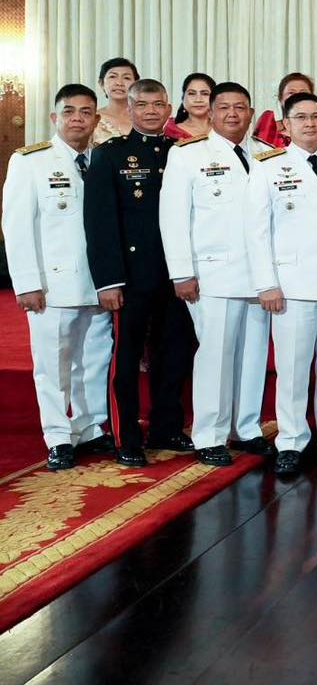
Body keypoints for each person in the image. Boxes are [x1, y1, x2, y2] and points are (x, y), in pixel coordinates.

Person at [160, 83, 275, 467]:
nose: (232, 114)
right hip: (212, 274)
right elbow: (173, 218)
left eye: (240, 107)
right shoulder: (188, 155)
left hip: (260, 276)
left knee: (253, 355)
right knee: (216, 355)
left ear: (251, 111)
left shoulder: (267, 154)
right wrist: (181, 273)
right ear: (209, 112)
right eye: (224, 107)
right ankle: (209, 434)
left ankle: (245, 427)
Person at [246, 91, 317, 476]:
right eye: (300, 117)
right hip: (291, 285)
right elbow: (256, 232)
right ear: (285, 125)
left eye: (315, 116)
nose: (309, 123)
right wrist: (266, 283)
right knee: (293, 367)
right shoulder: (268, 167)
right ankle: (291, 439)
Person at [83, 79, 195, 466]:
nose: (150, 111)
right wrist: (108, 280)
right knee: (127, 359)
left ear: (168, 109)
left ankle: (166, 426)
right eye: (142, 104)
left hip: (175, 274)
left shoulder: (180, 152)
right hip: (131, 276)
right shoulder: (111, 155)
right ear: (128, 109)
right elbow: (99, 223)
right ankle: (126, 435)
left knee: (176, 352)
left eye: (157, 104)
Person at [3, 85, 112, 470]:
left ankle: (88, 426)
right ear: (55, 118)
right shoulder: (30, 161)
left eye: (86, 112)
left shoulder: (103, 160)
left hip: (98, 284)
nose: (78, 119)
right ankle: (57, 435)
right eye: (69, 112)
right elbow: (16, 227)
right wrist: (28, 282)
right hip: (53, 285)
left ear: (96, 120)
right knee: (53, 364)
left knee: (94, 360)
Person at [253, 72, 317, 149]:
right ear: (280, 98)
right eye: (291, 93)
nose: (297, 97)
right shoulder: (269, 127)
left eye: (303, 93)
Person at [94, 57, 138, 144]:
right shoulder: (92, 120)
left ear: (136, 84)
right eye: (112, 76)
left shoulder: (146, 118)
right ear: (101, 83)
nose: (119, 83)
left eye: (126, 78)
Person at [164, 73, 214, 141]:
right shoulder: (171, 132)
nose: (198, 100)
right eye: (191, 93)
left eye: (205, 94)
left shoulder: (224, 130)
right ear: (183, 98)